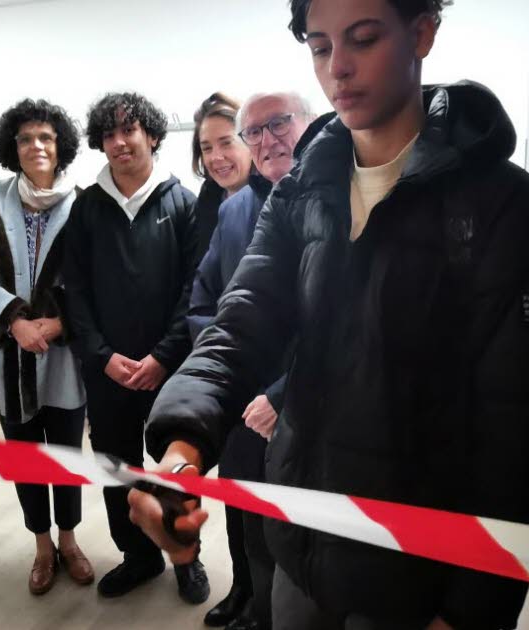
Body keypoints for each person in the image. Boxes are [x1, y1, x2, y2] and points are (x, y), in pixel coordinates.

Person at [135, 0, 529, 628]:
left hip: (415, 574)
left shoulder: (492, 199)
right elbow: (241, 323)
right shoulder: (304, 191)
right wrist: (180, 450)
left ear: (422, 32)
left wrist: (471, 608)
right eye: (321, 46)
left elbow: (511, 423)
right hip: (302, 542)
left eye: (363, 39)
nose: (339, 69)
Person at [61, 92, 209, 604]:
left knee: (174, 469)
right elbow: (73, 289)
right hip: (109, 373)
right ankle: (139, 557)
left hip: (171, 369)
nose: (120, 142)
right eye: (109, 134)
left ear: (151, 135)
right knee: (115, 466)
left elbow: (196, 287)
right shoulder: (86, 208)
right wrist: (101, 356)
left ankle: (185, 556)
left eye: (130, 130)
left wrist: (165, 356)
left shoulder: (183, 203)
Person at [0, 98, 94, 596]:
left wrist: (56, 326)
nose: (35, 146)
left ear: (61, 148)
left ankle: (70, 539)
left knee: (65, 452)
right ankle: (41, 545)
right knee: (24, 454)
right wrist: (15, 323)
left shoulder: (86, 205)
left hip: (63, 356)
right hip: (10, 353)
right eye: (25, 139)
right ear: (11, 148)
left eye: (46, 138)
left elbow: (97, 281)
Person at [189, 91, 316, 630]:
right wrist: (226, 371)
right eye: (254, 133)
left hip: (309, 405)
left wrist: (282, 391)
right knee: (241, 511)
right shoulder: (236, 207)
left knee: (295, 532)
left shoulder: (335, 197)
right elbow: (205, 298)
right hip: (244, 402)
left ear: (310, 123)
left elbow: (341, 325)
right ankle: (246, 597)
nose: (267, 141)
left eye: (279, 124)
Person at [191, 92, 254, 249]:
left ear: (251, 140)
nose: (216, 157)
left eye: (226, 143)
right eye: (207, 148)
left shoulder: (276, 199)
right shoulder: (207, 199)